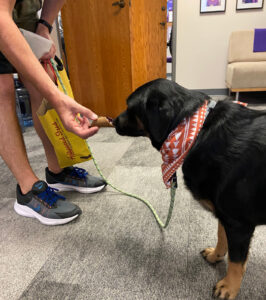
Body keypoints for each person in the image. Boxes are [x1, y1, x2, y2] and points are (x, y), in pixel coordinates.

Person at [0, 0, 107, 225]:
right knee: (2, 88)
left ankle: (57, 171)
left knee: (42, 79)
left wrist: (44, 26)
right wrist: (59, 99)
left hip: (22, 10)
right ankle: (27, 190)